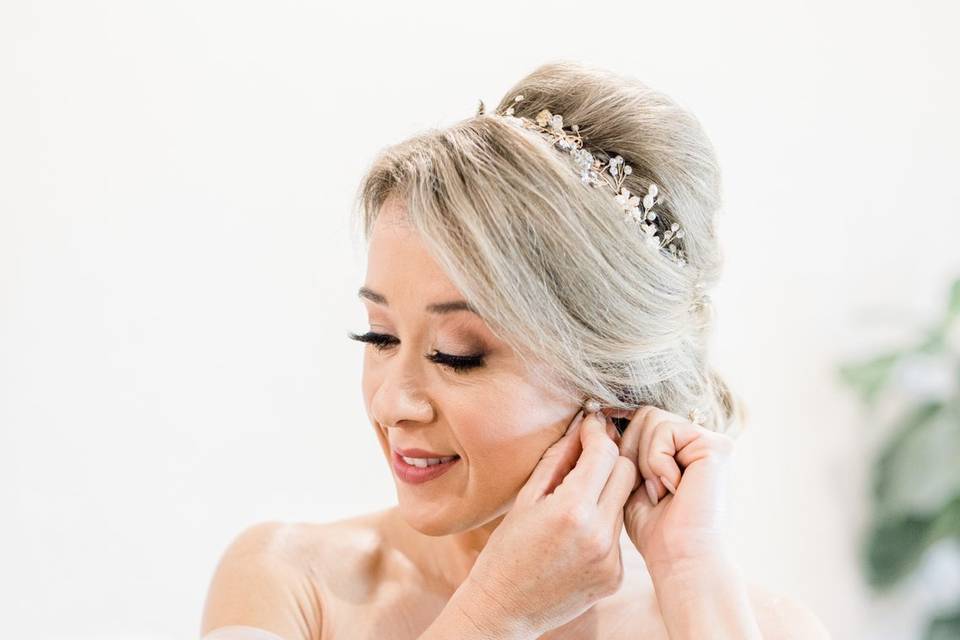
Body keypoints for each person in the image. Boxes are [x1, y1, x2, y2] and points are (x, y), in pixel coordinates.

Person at [200, 60, 830, 639]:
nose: (393, 403)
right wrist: (496, 613)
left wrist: (692, 574)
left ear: (614, 381)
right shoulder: (292, 583)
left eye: (457, 355)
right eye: (380, 336)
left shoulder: (755, 622)